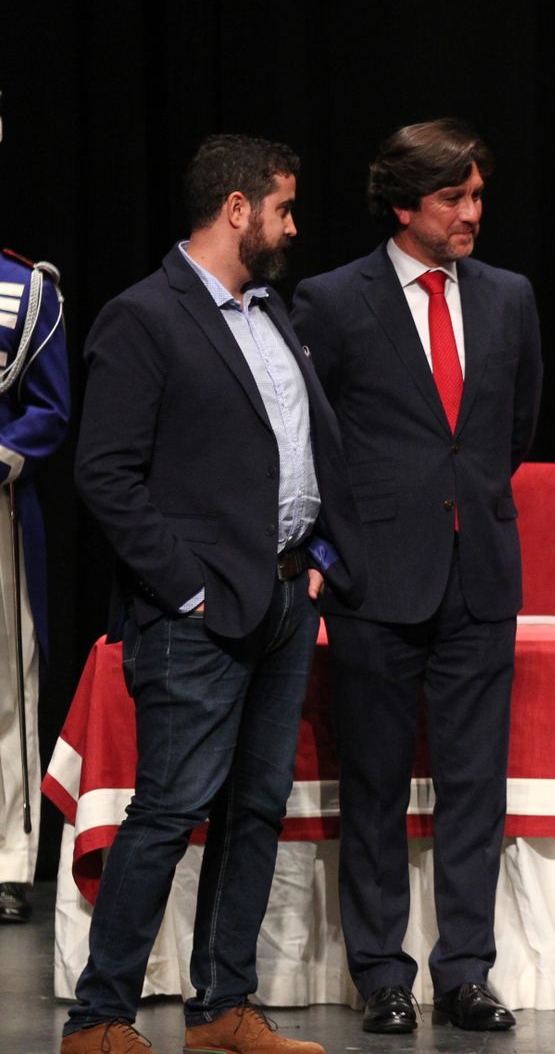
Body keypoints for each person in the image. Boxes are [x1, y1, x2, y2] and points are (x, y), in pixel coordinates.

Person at [67, 134, 364, 1054]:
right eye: (282, 207)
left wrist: (313, 551)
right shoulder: (144, 316)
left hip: (281, 600)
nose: (292, 225)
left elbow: (295, 447)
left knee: (255, 808)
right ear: (237, 209)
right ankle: (99, 1017)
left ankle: (223, 1006)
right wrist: (189, 589)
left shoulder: (270, 312)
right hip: (197, 616)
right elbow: (106, 474)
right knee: (168, 809)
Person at [291, 118, 542, 1035]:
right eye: (454, 198)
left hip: (479, 569)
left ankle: (467, 969)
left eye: (478, 195)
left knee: (478, 784)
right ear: (406, 206)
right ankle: (382, 972)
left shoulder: (509, 296)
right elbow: (315, 436)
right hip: (376, 579)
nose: (473, 213)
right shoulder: (331, 299)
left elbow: (513, 428)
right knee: (377, 787)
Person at [0, 243, 70, 926]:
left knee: (6, 691)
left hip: (0, 509)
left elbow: (49, 406)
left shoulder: (24, 287)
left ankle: (8, 862)